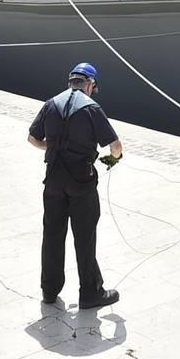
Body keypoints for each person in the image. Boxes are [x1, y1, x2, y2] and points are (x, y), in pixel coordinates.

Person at [27, 62, 123, 310]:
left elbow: (33, 138)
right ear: (90, 85)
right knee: (84, 237)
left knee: (52, 235)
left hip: (53, 181)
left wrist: (55, 146)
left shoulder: (51, 104)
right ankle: (90, 293)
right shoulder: (92, 108)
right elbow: (115, 146)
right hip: (81, 182)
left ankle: (49, 291)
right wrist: (114, 159)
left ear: (70, 81)